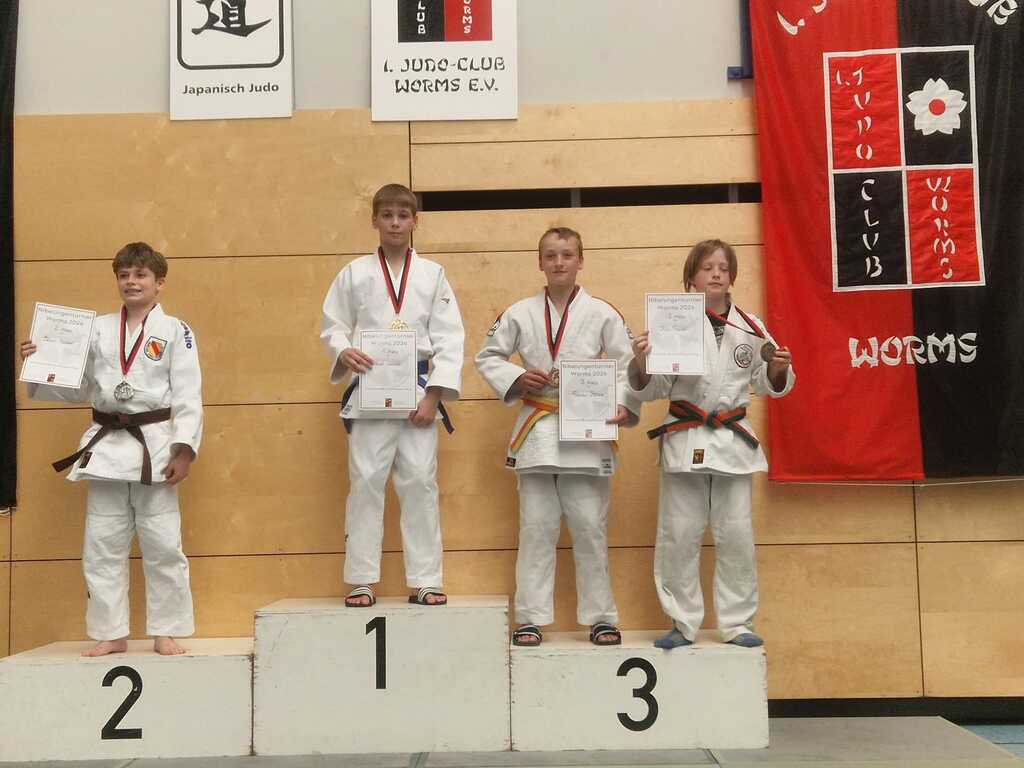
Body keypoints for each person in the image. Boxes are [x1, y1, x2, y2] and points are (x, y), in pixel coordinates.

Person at [20, 242, 202, 657]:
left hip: (155, 448)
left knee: (163, 544)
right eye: (124, 275)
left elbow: (189, 394)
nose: (131, 282)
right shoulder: (97, 329)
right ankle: (111, 631)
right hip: (105, 449)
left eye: (140, 275)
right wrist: (39, 361)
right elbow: (79, 387)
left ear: (159, 282)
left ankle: (167, 630)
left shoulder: (176, 330)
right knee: (101, 545)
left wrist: (184, 450)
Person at [476, 227, 639, 647]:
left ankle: (601, 617)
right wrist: (516, 377)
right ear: (540, 262)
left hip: (586, 431)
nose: (559, 262)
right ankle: (530, 618)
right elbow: (488, 356)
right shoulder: (519, 312)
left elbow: (627, 365)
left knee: (590, 527)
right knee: (536, 528)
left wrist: (622, 403)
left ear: (580, 260)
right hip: (537, 428)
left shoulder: (602, 312)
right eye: (551, 255)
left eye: (567, 255)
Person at [628, 238, 794, 649]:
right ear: (691, 277)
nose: (716, 273)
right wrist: (642, 361)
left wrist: (777, 368)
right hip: (685, 436)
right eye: (706, 267)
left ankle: (737, 623)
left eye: (723, 267)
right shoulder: (673, 323)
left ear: (732, 276)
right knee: (679, 533)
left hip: (732, 440)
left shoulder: (751, 327)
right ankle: (682, 622)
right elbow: (654, 388)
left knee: (735, 535)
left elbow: (768, 384)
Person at [320, 183, 464, 608]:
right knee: (365, 482)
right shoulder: (354, 272)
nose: (396, 223)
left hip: (418, 393)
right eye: (387, 215)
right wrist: (342, 349)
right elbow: (332, 325)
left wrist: (434, 396)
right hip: (370, 389)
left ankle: (425, 579)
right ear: (374, 221)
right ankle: (362, 579)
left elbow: (450, 338)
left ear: (415, 221)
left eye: (403, 215)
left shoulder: (433, 274)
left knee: (419, 482)